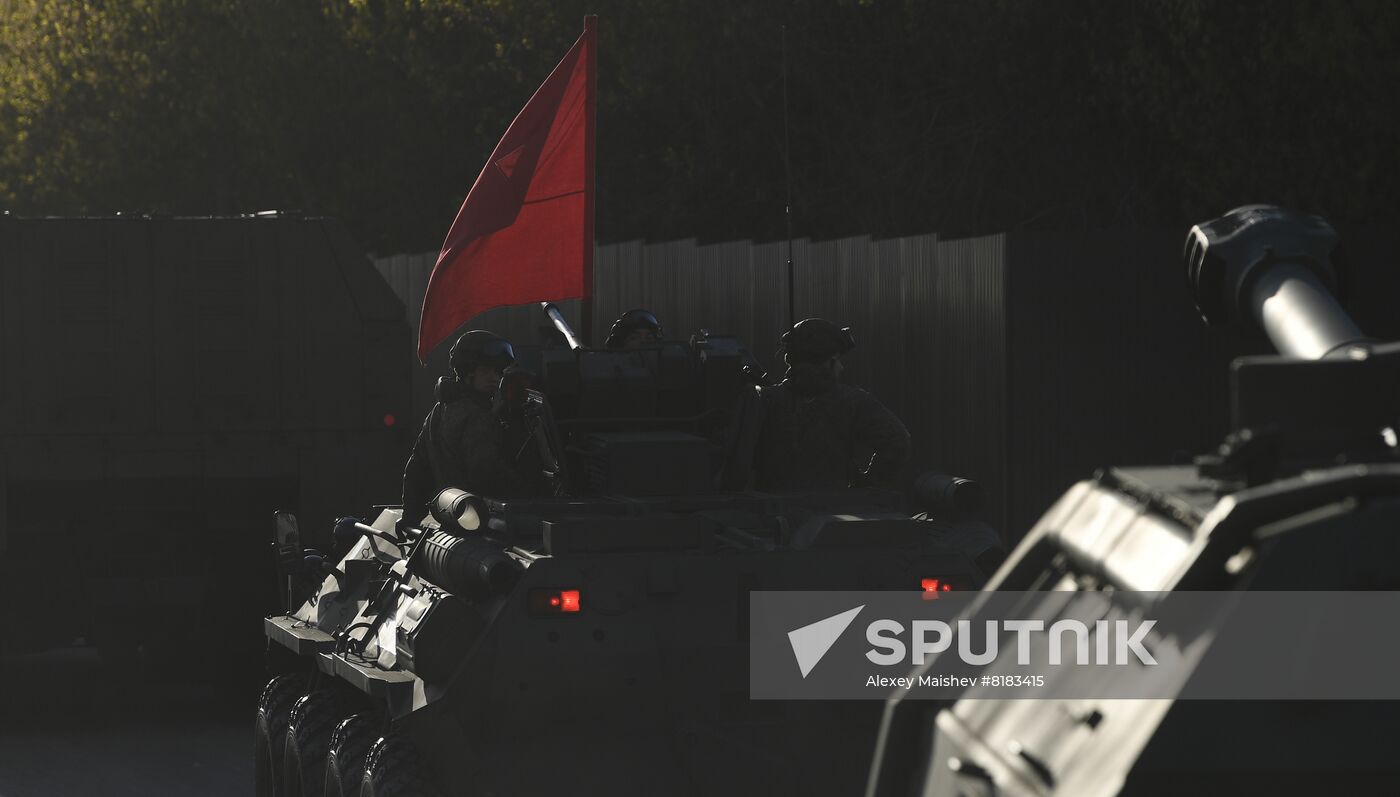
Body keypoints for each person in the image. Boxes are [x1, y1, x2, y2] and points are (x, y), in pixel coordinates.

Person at [752, 318, 911, 490]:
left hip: (772, 511)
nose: (841, 367)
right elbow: (898, 441)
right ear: (827, 363)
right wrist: (867, 485)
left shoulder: (764, 400)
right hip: (834, 510)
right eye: (837, 359)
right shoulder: (853, 402)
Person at [400, 330, 537, 521]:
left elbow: (416, 469)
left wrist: (411, 515)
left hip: (455, 516)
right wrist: (531, 495)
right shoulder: (475, 415)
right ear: (467, 372)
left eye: (497, 371)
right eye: (485, 370)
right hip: (481, 518)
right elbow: (486, 472)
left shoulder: (440, 410)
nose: (494, 377)